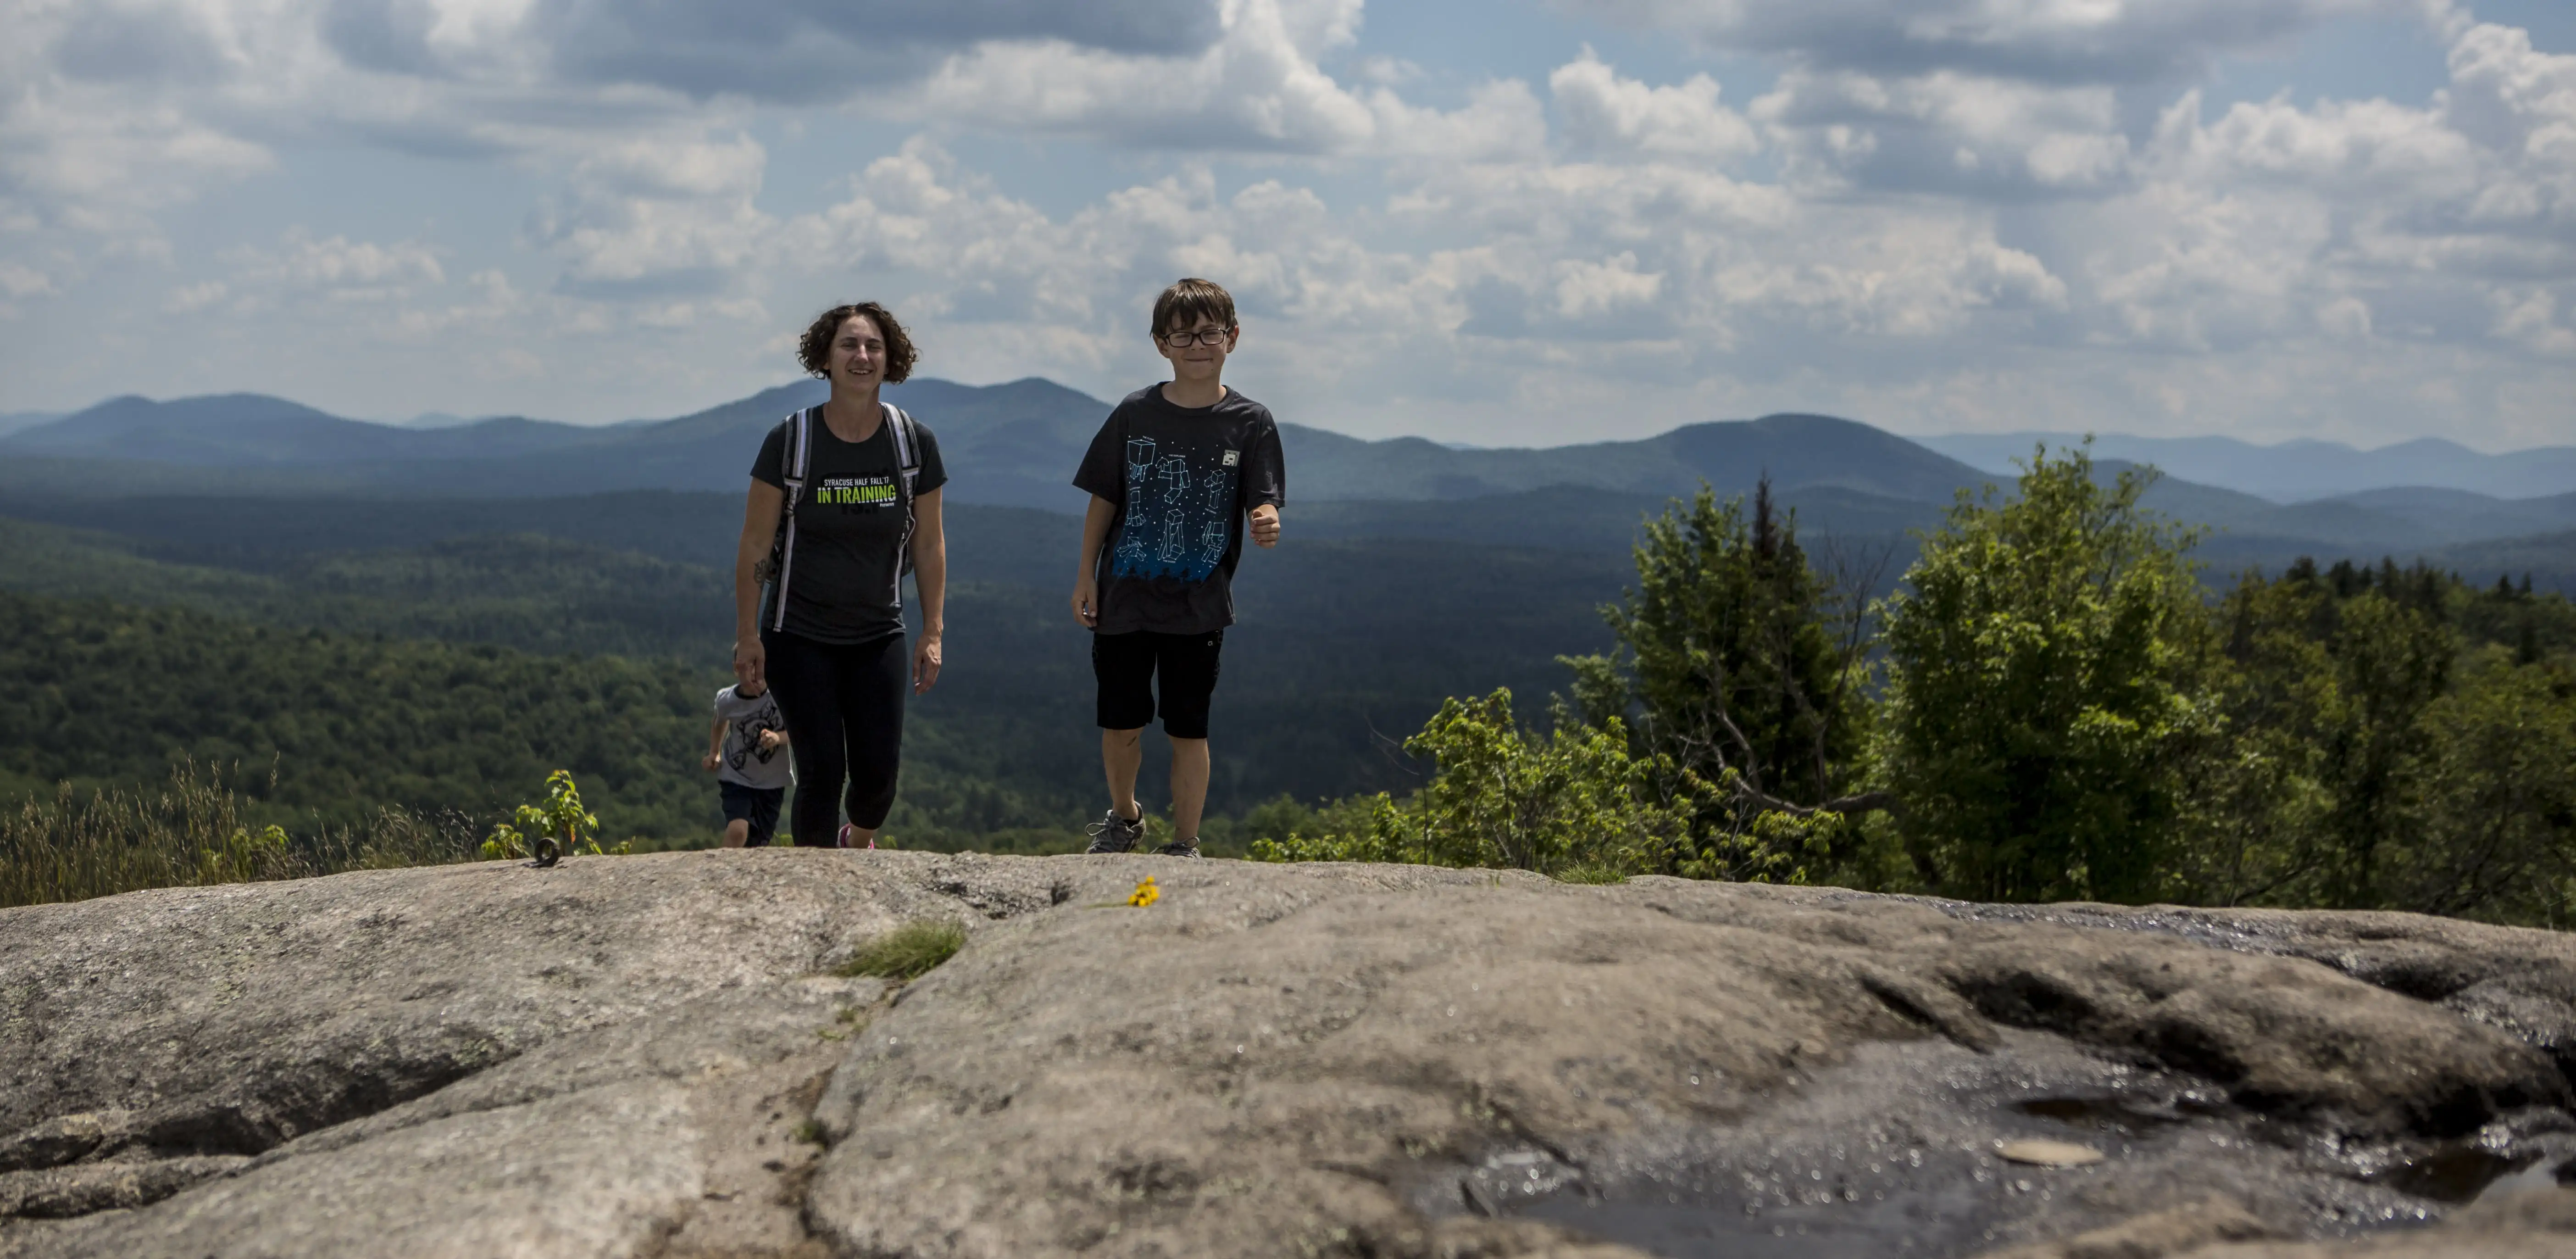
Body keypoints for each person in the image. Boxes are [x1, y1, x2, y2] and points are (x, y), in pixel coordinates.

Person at [1068, 278, 1285, 858]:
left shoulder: (1251, 420)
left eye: (1210, 332)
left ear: (1233, 338)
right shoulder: (1135, 412)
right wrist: (1086, 573)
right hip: (1125, 593)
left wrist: (1266, 518)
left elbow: (1262, 498)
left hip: (1200, 603)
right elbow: (1104, 498)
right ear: (1161, 343)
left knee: (1189, 727)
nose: (1197, 345)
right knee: (1121, 722)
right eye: (1183, 334)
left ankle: (1185, 842)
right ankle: (1125, 816)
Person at [732, 301, 948, 848]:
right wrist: (747, 633)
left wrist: (934, 630)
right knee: (823, 771)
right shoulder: (792, 440)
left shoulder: (912, 443)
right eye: (849, 345)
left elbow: (928, 541)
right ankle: (814, 895)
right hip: (797, 632)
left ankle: (857, 840)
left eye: (873, 346)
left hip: (878, 631)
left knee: (877, 779)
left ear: (890, 358)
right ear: (825, 359)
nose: (862, 356)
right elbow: (756, 541)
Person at [703, 679, 791, 847]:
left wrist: (777, 737)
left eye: (756, 665)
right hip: (736, 776)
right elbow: (719, 720)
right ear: (736, 668)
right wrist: (714, 752)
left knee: (758, 843)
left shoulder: (782, 696)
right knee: (738, 830)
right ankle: (720, 871)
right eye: (745, 666)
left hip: (771, 783)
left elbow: (799, 730)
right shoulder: (727, 699)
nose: (751, 673)